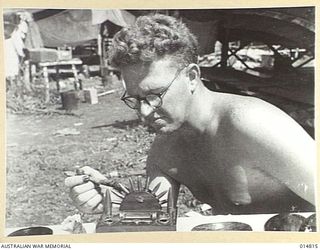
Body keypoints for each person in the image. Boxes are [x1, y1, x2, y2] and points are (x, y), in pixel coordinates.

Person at [65, 14, 316, 215]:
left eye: (155, 95)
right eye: (136, 99)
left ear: (192, 77)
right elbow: (158, 215)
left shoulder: (250, 122)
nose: (144, 111)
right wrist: (109, 200)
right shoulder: (164, 151)